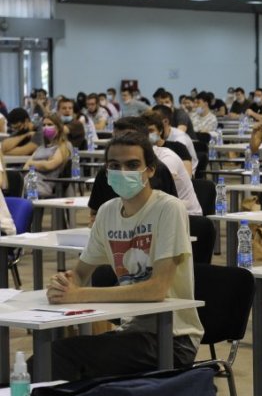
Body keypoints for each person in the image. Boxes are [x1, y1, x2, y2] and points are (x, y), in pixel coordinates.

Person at [44, 130, 202, 381]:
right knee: (47, 356)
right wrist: (63, 284)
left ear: (150, 170)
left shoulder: (169, 208)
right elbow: (81, 273)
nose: (123, 171)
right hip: (130, 331)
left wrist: (79, 294)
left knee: (59, 357)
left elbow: (157, 289)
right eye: (115, 166)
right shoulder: (107, 212)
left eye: (133, 165)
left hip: (173, 338)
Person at [140, 113, 203, 215]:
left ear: (160, 131)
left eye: (151, 131)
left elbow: (162, 183)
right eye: (144, 132)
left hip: (185, 212)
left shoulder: (174, 150)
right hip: (164, 208)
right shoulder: (146, 154)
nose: (147, 135)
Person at [24, 114, 72, 198]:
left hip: (45, 184)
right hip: (30, 180)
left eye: (50, 124)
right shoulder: (41, 147)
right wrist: (43, 163)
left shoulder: (64, 145)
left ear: (58, 127)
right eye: (44, 125)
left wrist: (33, 163)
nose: (46, 127)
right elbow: (26, 166)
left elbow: (50, 165)